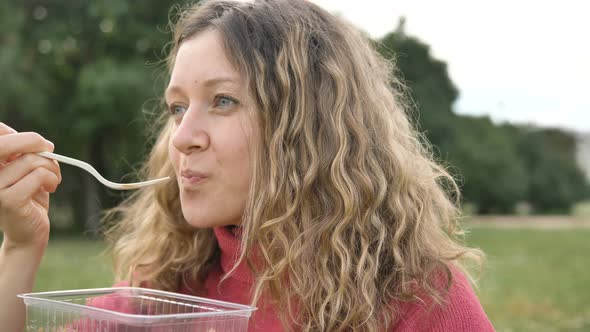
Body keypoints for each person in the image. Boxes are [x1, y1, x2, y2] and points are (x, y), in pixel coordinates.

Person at [0, 0, 495, 330]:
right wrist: (22, 248)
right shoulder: (172, 287)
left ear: (305, 126)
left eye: (222, 101)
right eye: (177, 107)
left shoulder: (419, 303)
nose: (183, 137)